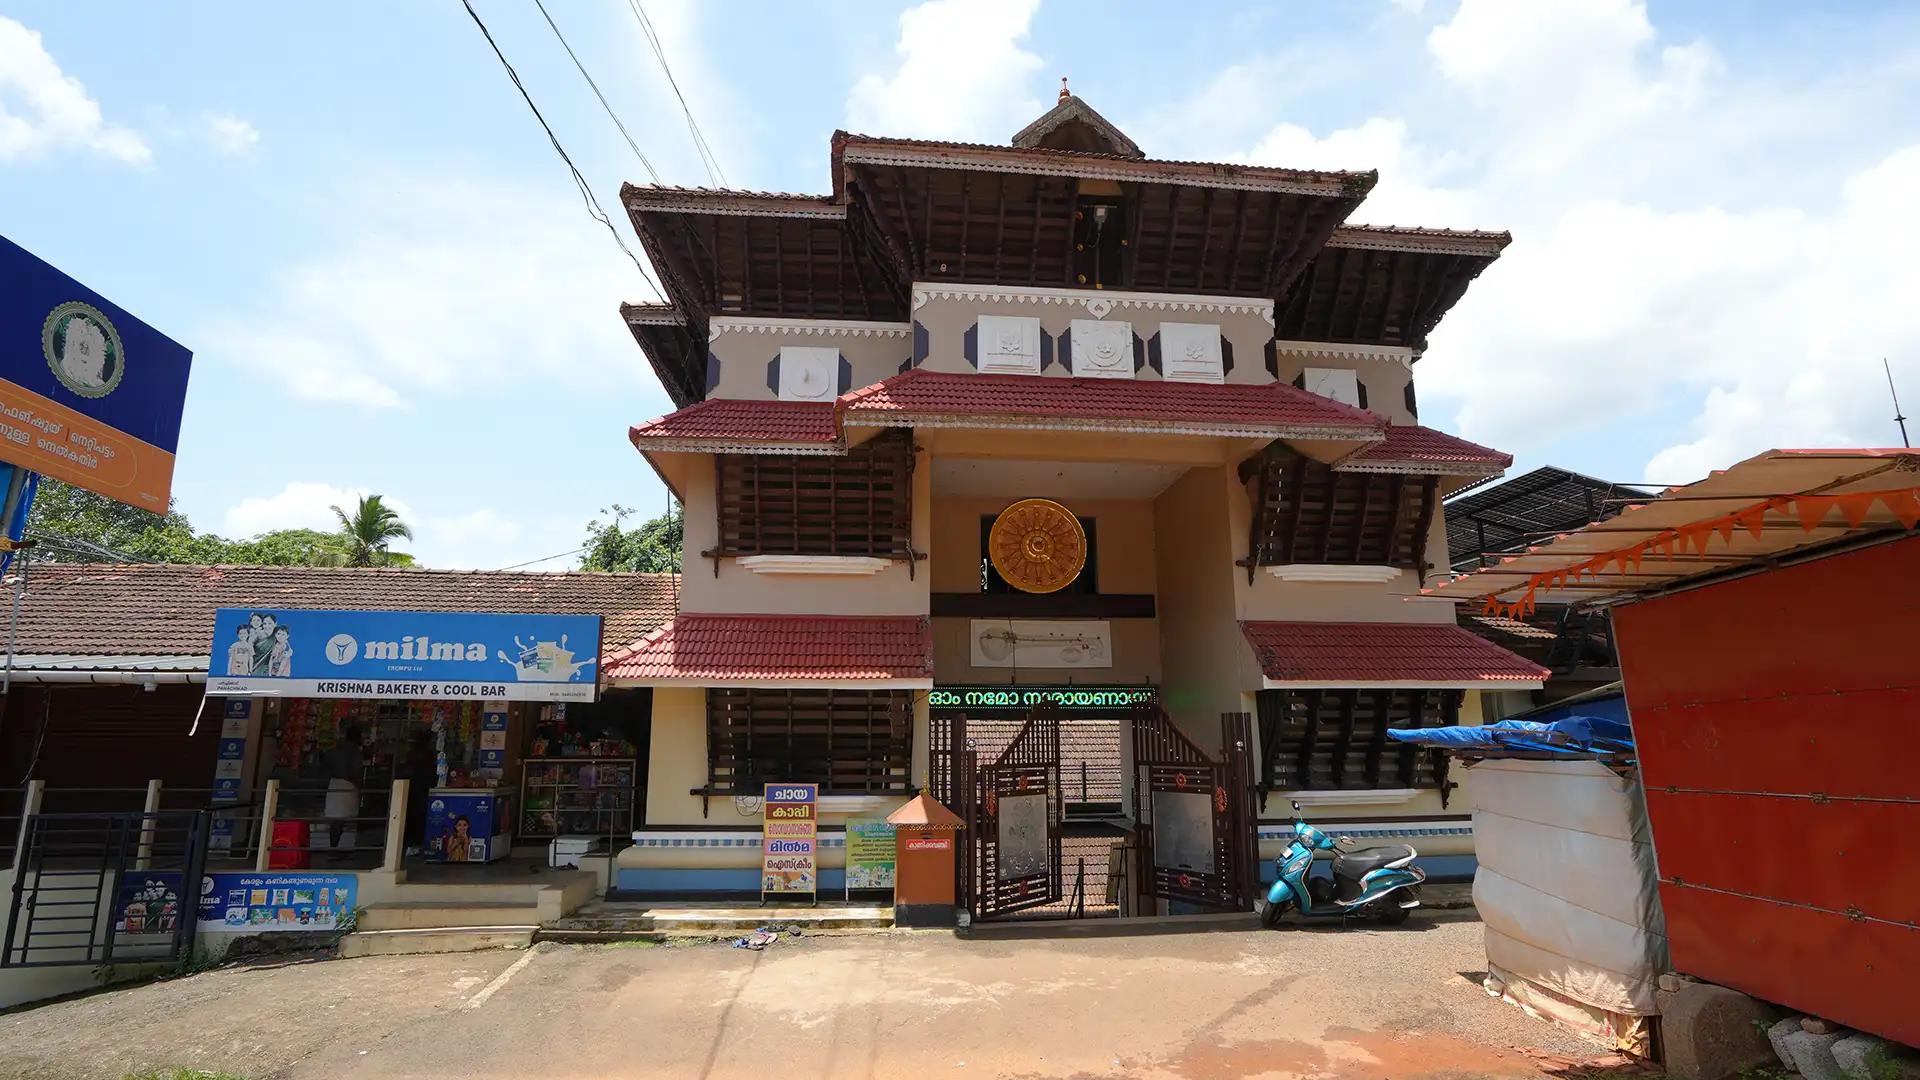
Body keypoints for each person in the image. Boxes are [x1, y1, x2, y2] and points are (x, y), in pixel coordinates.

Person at [323, 725, 365, 855]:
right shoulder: (354, 752)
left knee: (337, 819)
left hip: (334, 783)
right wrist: (360, 786)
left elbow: (326, 763)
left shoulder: (335, 749)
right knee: (341, 819)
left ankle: (333, 847)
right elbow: (355, 771)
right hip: (348, 785)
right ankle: (334, 848)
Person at [403, 729, 435, 855]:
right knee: (420, 817)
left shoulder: (412, 754)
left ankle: (412, 844)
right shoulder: (428, 754)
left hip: (414, 788)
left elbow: (407, 769)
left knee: (413, 817)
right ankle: (416, 843)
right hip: (422, 789)